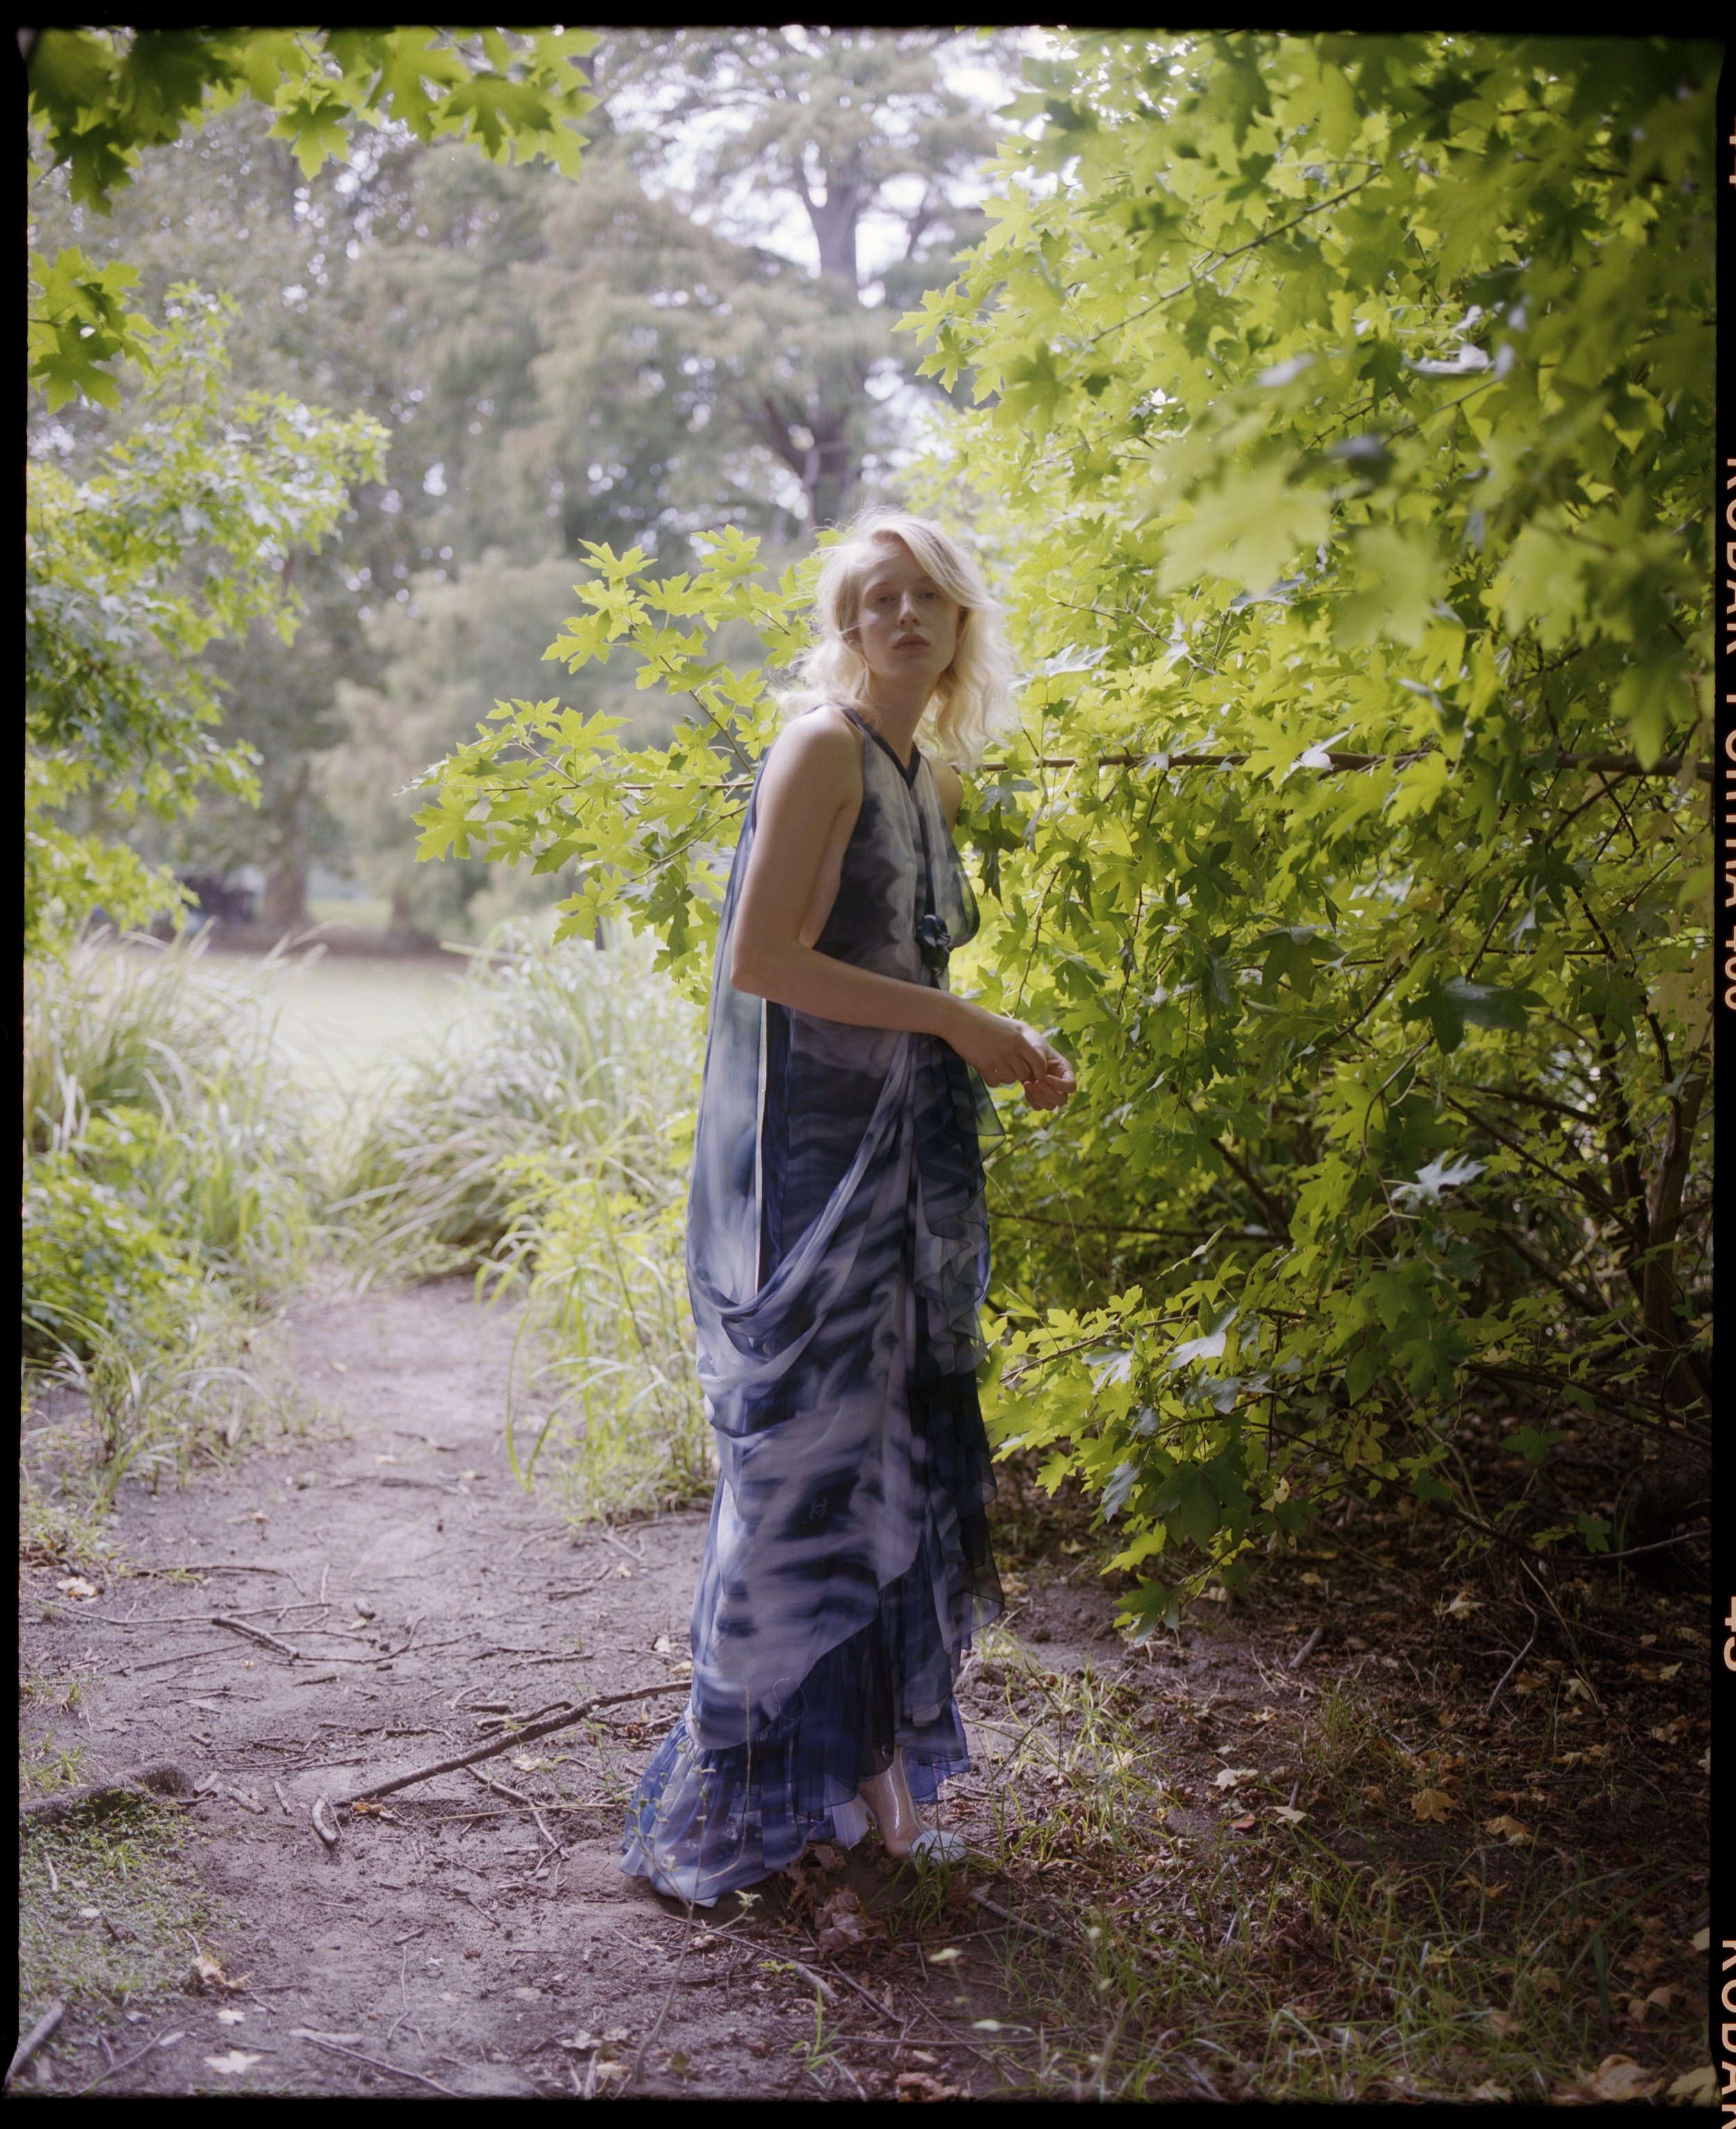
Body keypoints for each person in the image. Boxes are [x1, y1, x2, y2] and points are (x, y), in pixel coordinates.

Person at [621, 509, 1076, 1905]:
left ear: (959, 624)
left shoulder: (922, 775)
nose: (902, 616)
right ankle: (747, 1791)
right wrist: (958, 1021)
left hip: (901, 1157)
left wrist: (997, 1041)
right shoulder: (818, 748)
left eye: (926, 595)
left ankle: (864, 1763)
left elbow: (900, 971)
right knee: (801, 1470)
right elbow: (766, 960)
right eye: (876, 598)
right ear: (847, 626)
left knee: (888, 1457)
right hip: (812, 1169)